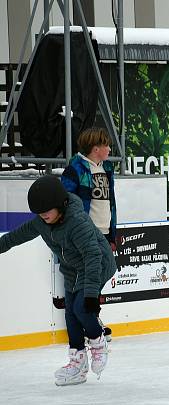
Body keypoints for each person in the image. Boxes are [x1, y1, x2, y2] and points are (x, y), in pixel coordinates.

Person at [0, 176, 116, 385]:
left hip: (96, 265)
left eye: (47, 210)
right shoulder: (42, 222)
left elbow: (93, 256)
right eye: (40, 212)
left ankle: (98, 341)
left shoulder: (77, 222)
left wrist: (91, 295)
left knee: (82, 308)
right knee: (70, 314)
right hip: (72, 269)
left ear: (61, 205)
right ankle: (78, 363)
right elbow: (15, 237)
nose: (43, 215)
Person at [61, 127, 117, 339]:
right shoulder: (75, 169)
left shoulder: (106, 169)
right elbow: (65, 203)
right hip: (85, 234)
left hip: (103, 232)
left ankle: (91, 316)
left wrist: (111, 234)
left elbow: (110, 204)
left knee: (103, 272)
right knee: (87, 277)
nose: (110, 149)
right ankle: (89, 320)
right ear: (96, 148)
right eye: (107, 146)